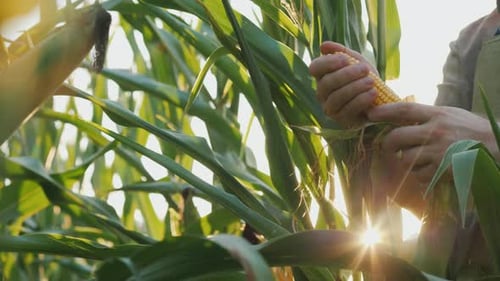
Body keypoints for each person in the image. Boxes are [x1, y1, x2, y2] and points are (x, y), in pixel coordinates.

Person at [309, 7, 500, 215]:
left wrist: (492, 143)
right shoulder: (468, 44)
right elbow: (435, 205)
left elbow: (474, 146)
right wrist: (375, 125)